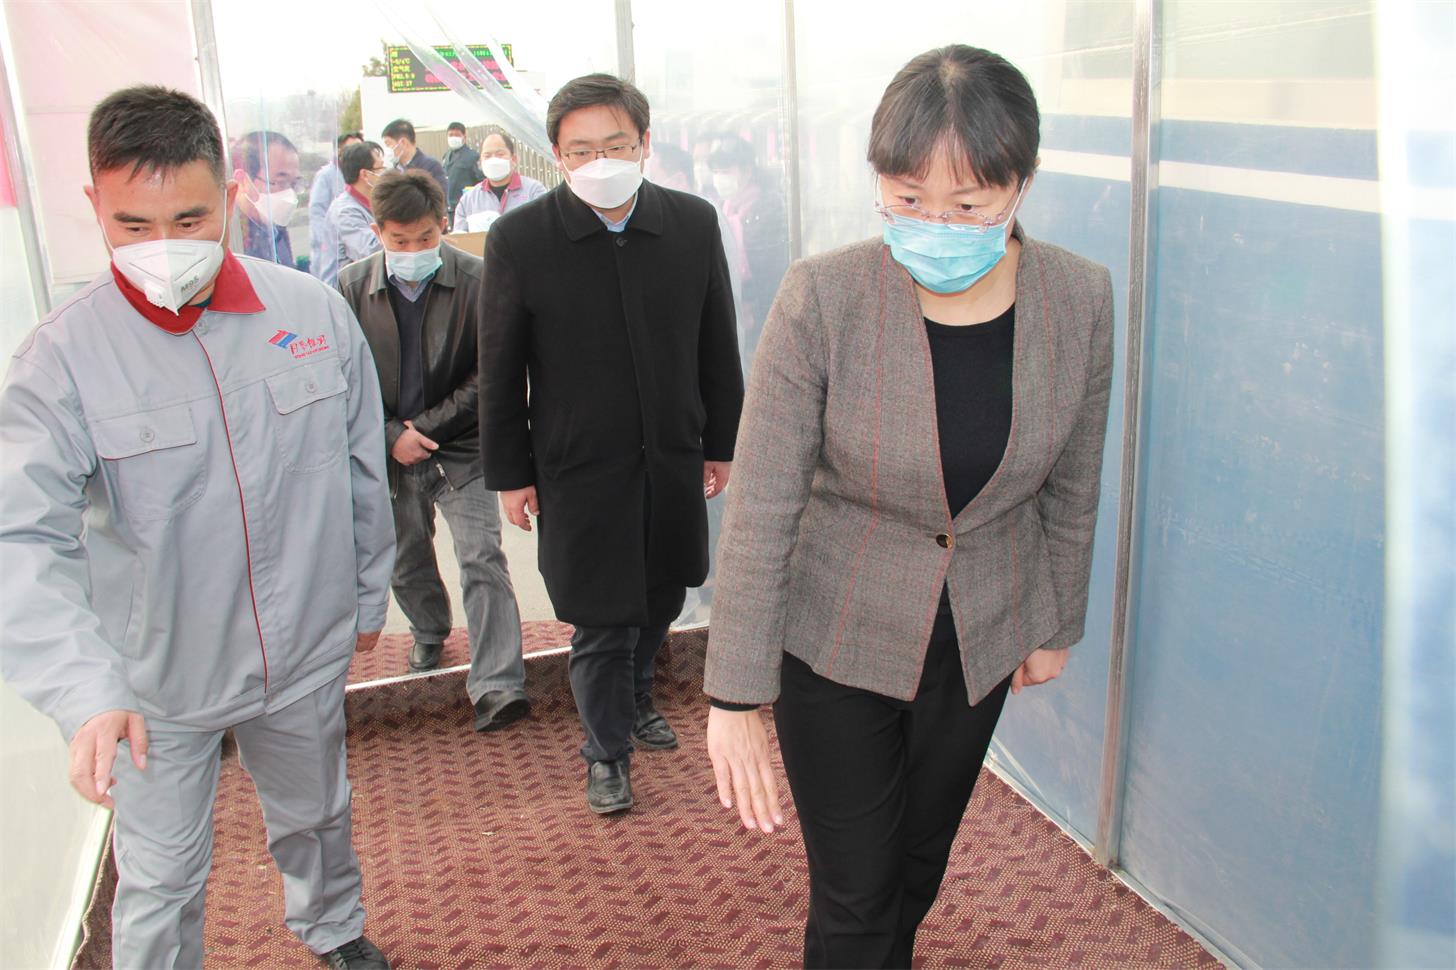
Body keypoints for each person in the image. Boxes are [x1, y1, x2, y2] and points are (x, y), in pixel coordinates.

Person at [703, 45, 1115, 969]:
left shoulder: (1079, 297)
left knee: (914, 872)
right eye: (906, 197)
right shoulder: (825, 297)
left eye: (967, 205)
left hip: (980, 636)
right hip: (837, 632)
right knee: (857, 896)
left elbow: (1075, 479)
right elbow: (764, 503)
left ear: (1021, 184)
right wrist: (736, 693)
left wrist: (1054, 625)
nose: (935, 224)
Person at [0, 85, 395, 969]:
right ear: (93, 204)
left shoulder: (311, 313)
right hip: (152, 681)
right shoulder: (60, 360)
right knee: (161, 874)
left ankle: (334, 927)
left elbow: (361, 465)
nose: (165, 246)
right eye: (133, 224)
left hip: (300, 649)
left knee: (316, 815)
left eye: (189, 217)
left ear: (230, 195)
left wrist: (368, 596)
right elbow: (20, 542)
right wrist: (84, 689)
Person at [479, 73, 743, 815]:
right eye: (581, 150)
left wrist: (720, 442)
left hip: (671, 454)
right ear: (557, 156)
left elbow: (717, 344)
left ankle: (635, 695)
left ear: (645, 143)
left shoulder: (691, 224)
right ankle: (605, 752)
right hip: (578, 465)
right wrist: (511, 474)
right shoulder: (521, 239)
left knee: (664, 590)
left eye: (616, 145)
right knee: (599, 616)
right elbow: (499, 368)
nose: (600, 161)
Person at [337, 171, 529, 731]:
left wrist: (425, 427)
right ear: (378, 232)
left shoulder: (478, 278)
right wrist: (389, 434)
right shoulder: (351, 286)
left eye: (425, 237)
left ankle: (498, 683)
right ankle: (429, 628)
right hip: (388, 451)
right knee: (405, 554)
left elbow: (493, 371)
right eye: (399, 240)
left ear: (443, 223)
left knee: (481, 555)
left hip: (463, 445)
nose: (413, 250)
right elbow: (343, 375)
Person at [705, 134, 789, 368]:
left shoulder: (768, 207)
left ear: (747, 171)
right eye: (716, 172)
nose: (720, 179)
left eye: (726, 171)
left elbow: (768, 272)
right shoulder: (726, 208)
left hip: (763, 312)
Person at [452, 130, 548, 233]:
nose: (493, 160)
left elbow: (546, 228)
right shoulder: (468, 200)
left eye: (500, 154)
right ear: (481, 162)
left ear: (514, 159)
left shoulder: (534, 191)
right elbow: (459, 238)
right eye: (487, 156)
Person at [233, 128, 302, 268]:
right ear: (243, 181)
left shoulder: (273, 230)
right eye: (281, 182)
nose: (290, 193)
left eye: (294, 183)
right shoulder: (235, 241)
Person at [324, 141, 385, 284]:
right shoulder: (344, 212)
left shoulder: (370, 202)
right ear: (365, 174)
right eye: (381, 169)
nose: (384, 174)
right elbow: (370, 251)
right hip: (345, 289)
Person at [311, 130, 364, 279]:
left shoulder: (362, 174)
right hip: (331, 249)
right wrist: (326, 241)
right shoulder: (326, 175)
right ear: (339, 151)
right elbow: (317, 212)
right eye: (352, 149)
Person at [381, 118, 448, 199]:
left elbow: (440, 199)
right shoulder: (393, 171)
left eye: (388, 144)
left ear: (403, 142)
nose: (386, 149)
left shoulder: (430, 166)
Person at [442, 121, 483, 225]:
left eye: (457, 135)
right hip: (450, 209)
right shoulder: (446, 156)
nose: (453, 138)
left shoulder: (472, 156)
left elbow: (481, 181)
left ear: (464, 137)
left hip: (467, 208)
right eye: (451, 135)